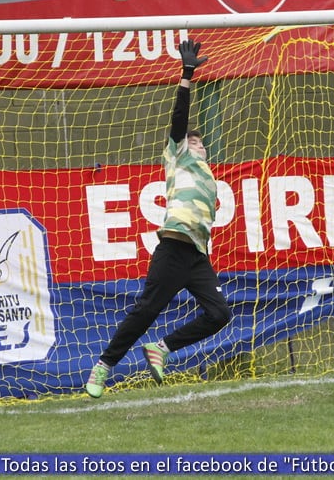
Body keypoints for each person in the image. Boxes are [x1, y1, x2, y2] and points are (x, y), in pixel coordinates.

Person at [85, 39, 232, 398]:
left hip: (196, 256)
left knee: (219, 314)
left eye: (202, 144)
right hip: (172, 247)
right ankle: (104, 365)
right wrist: (187, 75)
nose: (200, 146)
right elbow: (179, 120)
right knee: (146, 310)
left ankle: (161, 349)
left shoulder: (208, 176)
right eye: (194, 143)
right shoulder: (178, 155)